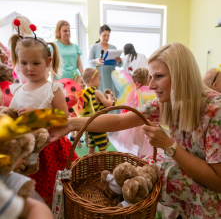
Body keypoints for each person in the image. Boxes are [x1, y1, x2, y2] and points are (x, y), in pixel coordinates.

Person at [49, 42, 221, 218]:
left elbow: (217, 182)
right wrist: (73, 124)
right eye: (151, 77)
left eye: (159, 76)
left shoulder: (216, 111)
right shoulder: (169, 101)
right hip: (187, 196)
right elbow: (119, 121)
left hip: (209, 204)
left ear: (181, 76)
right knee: (146, 167)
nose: (151, 85)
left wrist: (169, 146)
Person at [9, 31, 78, 205]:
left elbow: (63, 117)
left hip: (49, 148)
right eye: (24, 63)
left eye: (35, 63)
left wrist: (39, 114)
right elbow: (10, 116)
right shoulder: (18, 90)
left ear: (48, 62)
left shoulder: (52, 89)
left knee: (51, 188)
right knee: (30, 189)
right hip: (26, 148)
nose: (29, 68)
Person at [109, 67, 157, 158]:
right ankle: (143, 161)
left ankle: (140, 160)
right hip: (143, 124)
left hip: (133, 125)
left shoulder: (132, 92)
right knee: (146, 148)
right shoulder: (146, 93)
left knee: (141, 147)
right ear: (148, 80)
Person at [80, 68, 113, 154]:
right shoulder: (96, 92)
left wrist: (104, 96)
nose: (100, 83)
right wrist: (109, 96)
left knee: (92, 144)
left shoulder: (84, 93)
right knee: (102, 147)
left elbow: (96, 106)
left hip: (90, 125)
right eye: (99, 80)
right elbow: (109, 104)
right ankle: (102, 165)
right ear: (93, 79)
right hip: (98, 125)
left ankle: (90, 163)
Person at [88, 25, 123, 97]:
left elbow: (119, 65)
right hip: (100, 76)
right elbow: (88, 62)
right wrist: (96, 60)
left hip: (111, 75)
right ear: (99, 35)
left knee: (112, 95)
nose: (106, 38)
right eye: (104, 35)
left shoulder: (113, 47)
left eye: (108, 36)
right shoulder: (94, 47)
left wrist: (119, 61)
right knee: (101, 96)